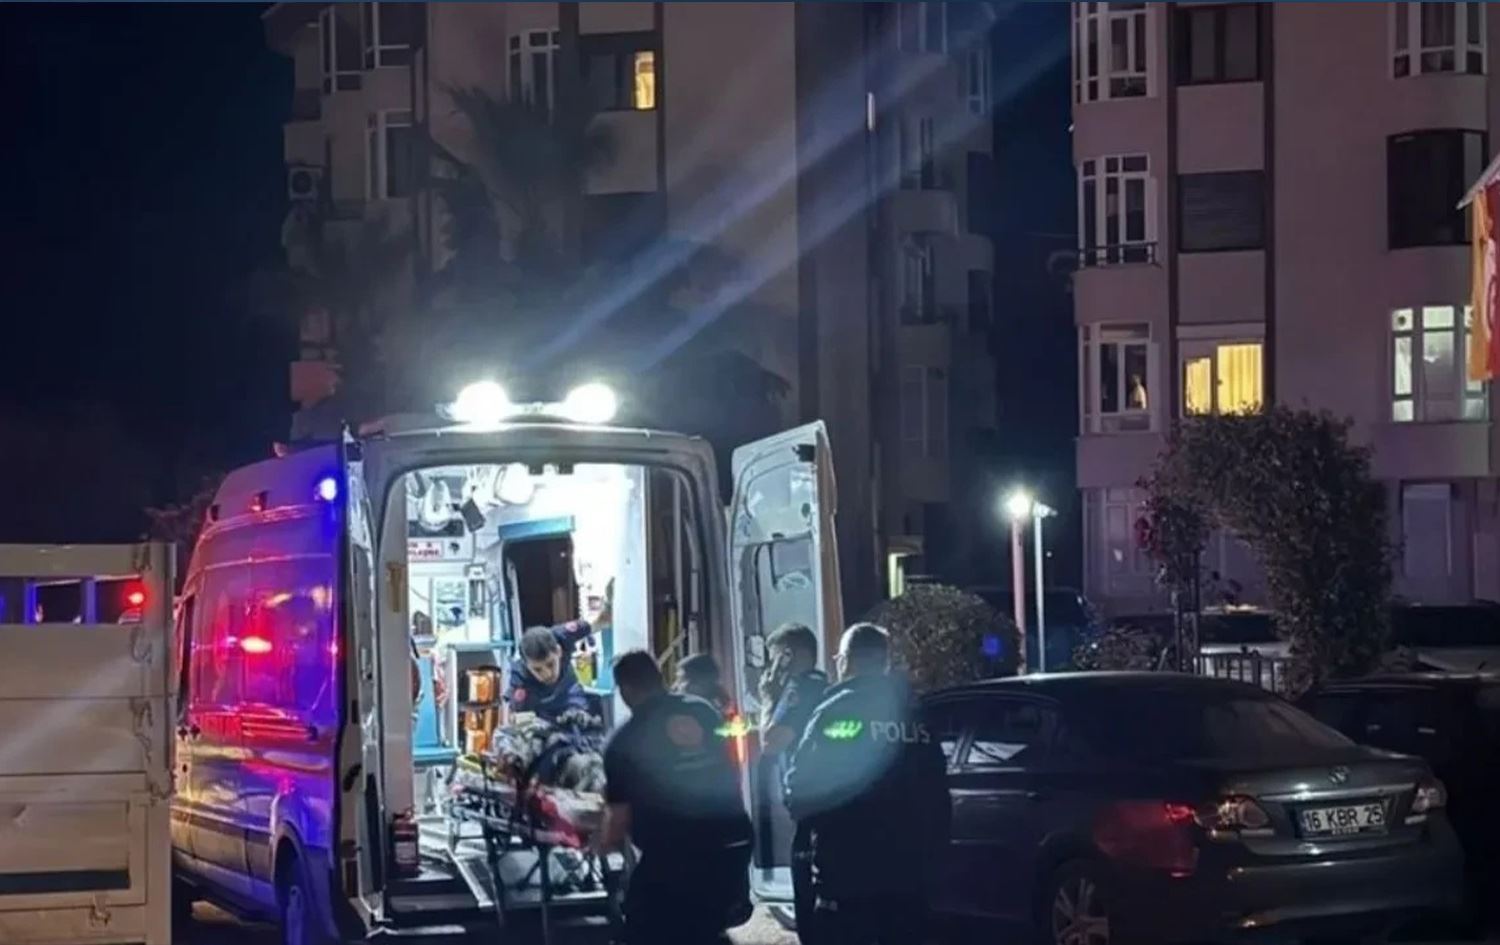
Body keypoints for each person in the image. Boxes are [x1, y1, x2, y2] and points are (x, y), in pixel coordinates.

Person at [783, 623, 951, 945]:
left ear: (845, 660)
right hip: (910, 881)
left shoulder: (836, 710)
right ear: (885, 661)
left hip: (848, 880)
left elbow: (799, 790)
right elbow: (938, 792)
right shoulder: (914, 716)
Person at [598, 650, 753, 945]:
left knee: (645, 927)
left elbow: (617, 822)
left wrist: (601, 845)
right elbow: (732, 767)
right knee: (706, 927)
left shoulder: (624, 740)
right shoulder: (704, 710)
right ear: (660, 678)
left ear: (625, 689)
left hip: (676, 857)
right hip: (733, 842)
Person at [757, 623, 828, 938]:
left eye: (773, 658)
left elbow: (771, 741)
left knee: (808, 908)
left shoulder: (797, 689)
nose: (770, 668)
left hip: (809, 806)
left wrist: (767, 699)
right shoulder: (824, 684)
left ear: (787, 656)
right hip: (833, 802)